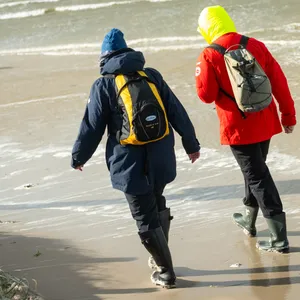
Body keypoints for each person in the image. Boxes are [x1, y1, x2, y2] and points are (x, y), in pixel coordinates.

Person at [71, 28, 200, 288]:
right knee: (156, 200)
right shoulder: (151, 76)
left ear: (104, 58)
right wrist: (191, 143)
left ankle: (165, 272)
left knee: (143, 215)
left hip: (128, 161)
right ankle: (160, 258)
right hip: (161, 155)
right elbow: (176, 110)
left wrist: (78, 156)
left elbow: (92, 126)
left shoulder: (104, 85)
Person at [195, 6, 296, 253]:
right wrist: (288, 114)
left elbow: (206, 96)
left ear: (207, 28)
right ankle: (249, 221)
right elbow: (279, 80)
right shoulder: (256, 45)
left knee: (257, 175)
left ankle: (279, 239)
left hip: (238, 126)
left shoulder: (208, 54)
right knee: (254, 170)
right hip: (265, 119)